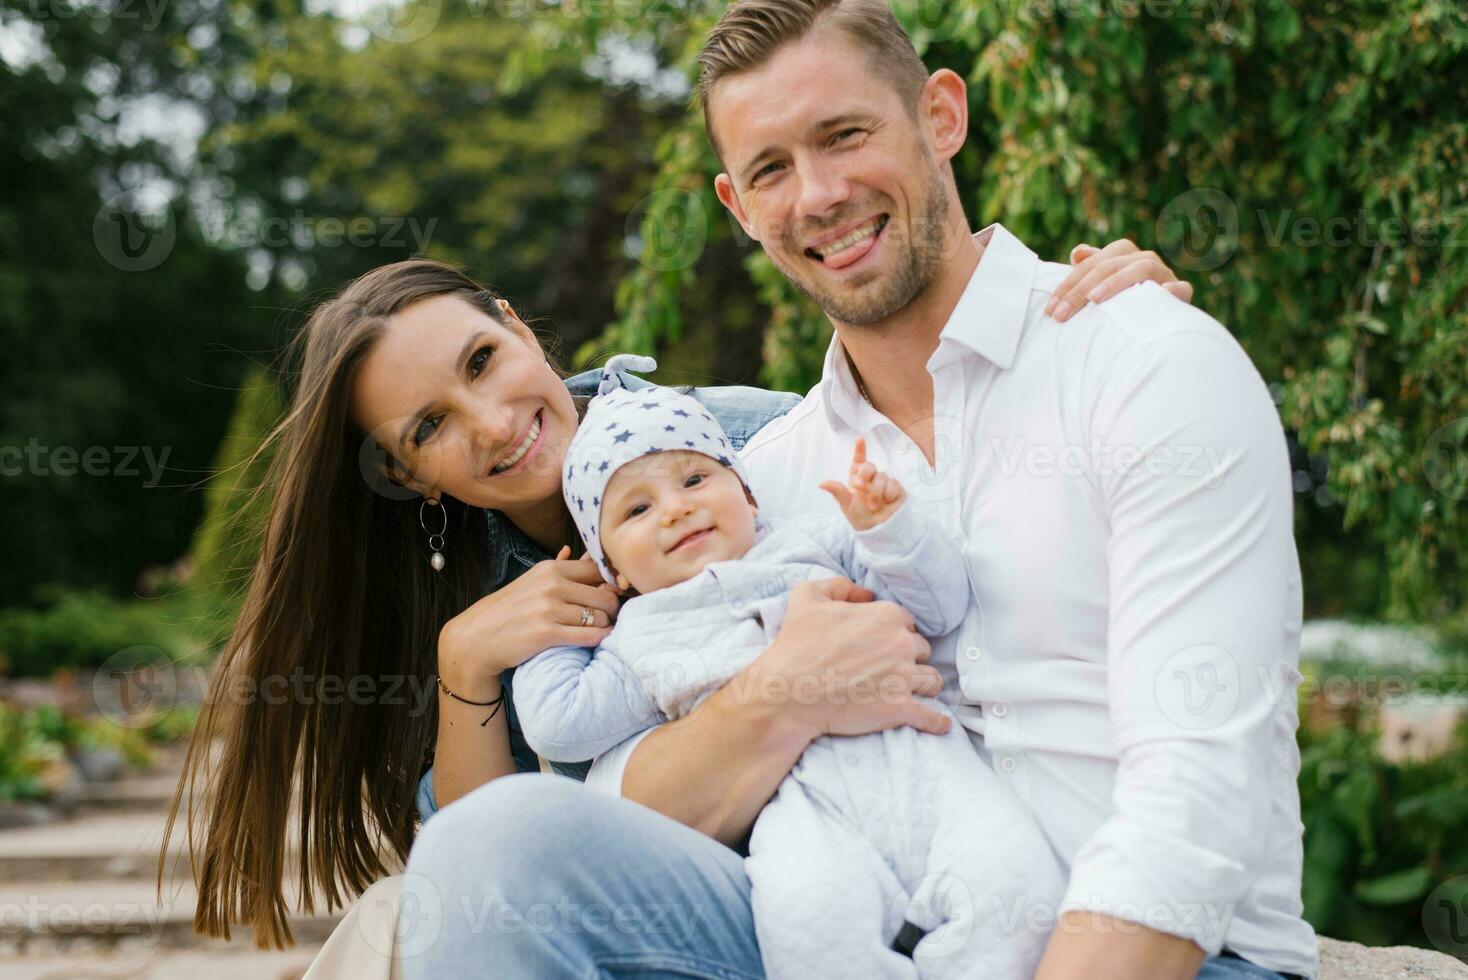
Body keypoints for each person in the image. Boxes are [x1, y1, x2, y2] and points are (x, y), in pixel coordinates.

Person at [405, 1, 1316, 979]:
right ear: (738, 208)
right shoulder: (767, 477)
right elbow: (624, 776)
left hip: (1168, 954)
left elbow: (1195, 799)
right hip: (866, 932)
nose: (819, 193)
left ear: (941, 116)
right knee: (496, 850)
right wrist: (778, 693)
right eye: (770, 170)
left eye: (844, 135)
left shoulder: (1140, 363)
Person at [163, 240, 1179, 951]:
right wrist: (465, 664)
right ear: (410, 476)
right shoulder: (453, 591)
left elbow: (939, 472)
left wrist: (1086, 343)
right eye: (428, 428)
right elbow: (492, 865)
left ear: (518, 326)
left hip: (898, 815)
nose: (489, 420)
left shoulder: (720, 439)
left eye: (483, 360)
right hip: (699, 880)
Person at [511, 356, 1066, 978]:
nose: (674, 509)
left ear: (746, 492)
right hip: (797, 813)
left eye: (694, 480)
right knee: (809, 932)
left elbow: (940, 605)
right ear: (611, 567)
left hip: (925, 767)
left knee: (1018, 886)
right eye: (636, 511)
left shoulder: (813, 544)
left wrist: (892, 530)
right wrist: (558, 621)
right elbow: (560, 724)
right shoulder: (638, 638)